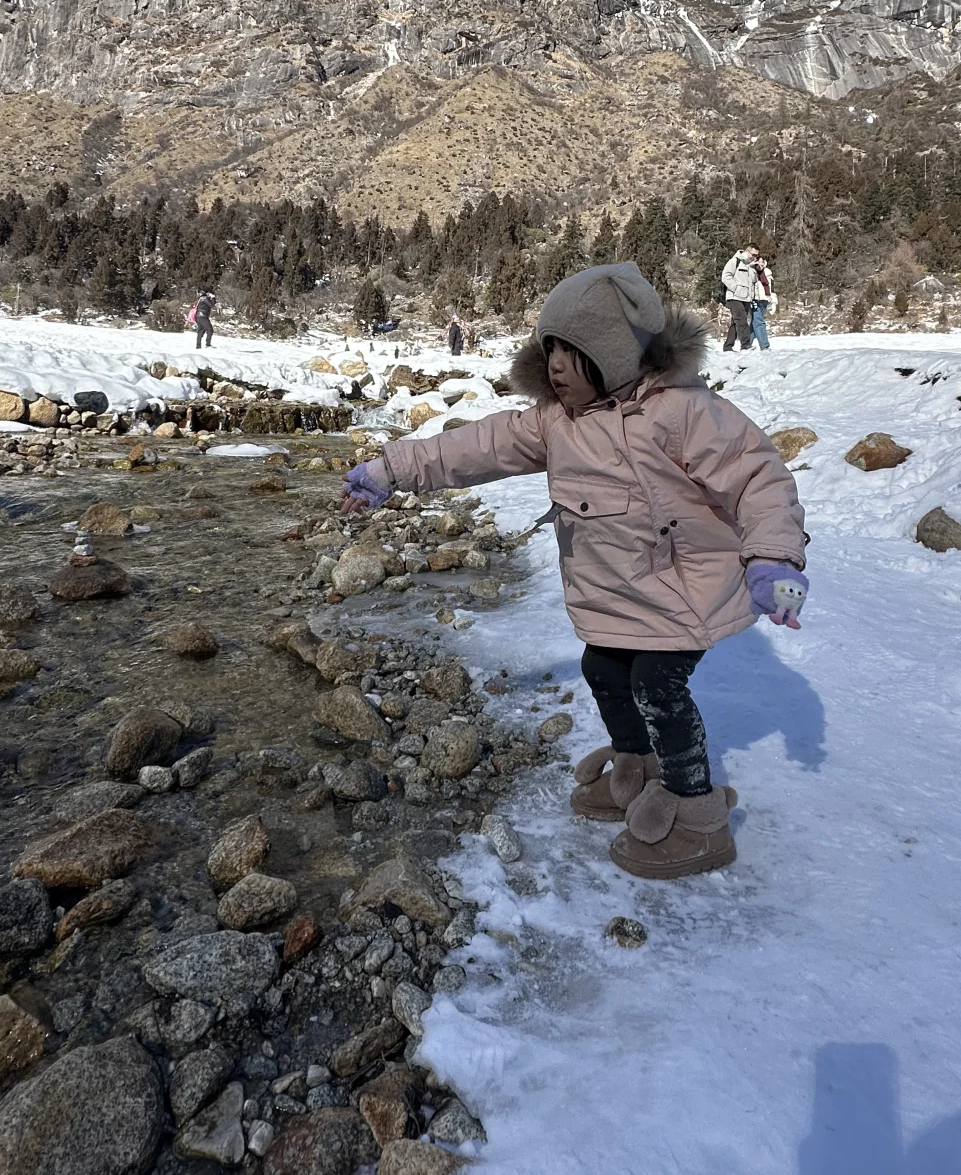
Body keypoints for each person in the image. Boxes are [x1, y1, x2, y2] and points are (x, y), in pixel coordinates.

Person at [343, 262, 808, 881]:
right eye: (550, 350)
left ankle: (697, 811)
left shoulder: (683, 413)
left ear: (615, 354)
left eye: (574, 352)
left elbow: (759, 479)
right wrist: (390, 471)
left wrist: (772, 558)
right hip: (614, 593)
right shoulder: (553, 420)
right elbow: (474, 447)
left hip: (683, 591)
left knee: (657, 686)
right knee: (602, 668)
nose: (556, 366)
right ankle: (636, 768)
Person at [721, 245, 759, 351]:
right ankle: (745, 345)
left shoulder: (751, 266)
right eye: (753, 254)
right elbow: (725, 276)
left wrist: (753, 297)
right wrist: (736, 288)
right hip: (734, 297)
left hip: (746, 298)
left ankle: (728, 346)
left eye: (757, 255)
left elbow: (753, 283)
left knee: (735, 322)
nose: (755, 257)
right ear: (747, 251)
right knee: (742, 321)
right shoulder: (735, 261)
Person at [751, 256, 777, 351]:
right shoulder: (752, 272)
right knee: (759, 322)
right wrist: (751, 299)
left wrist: (773, 302)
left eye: (762, 262)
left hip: (765, 300)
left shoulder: (768, 273)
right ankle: (764, 345)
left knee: (755, 322)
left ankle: (747, 344)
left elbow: (772, 289)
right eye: (758, 262)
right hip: (755, 300)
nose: (760, 264)